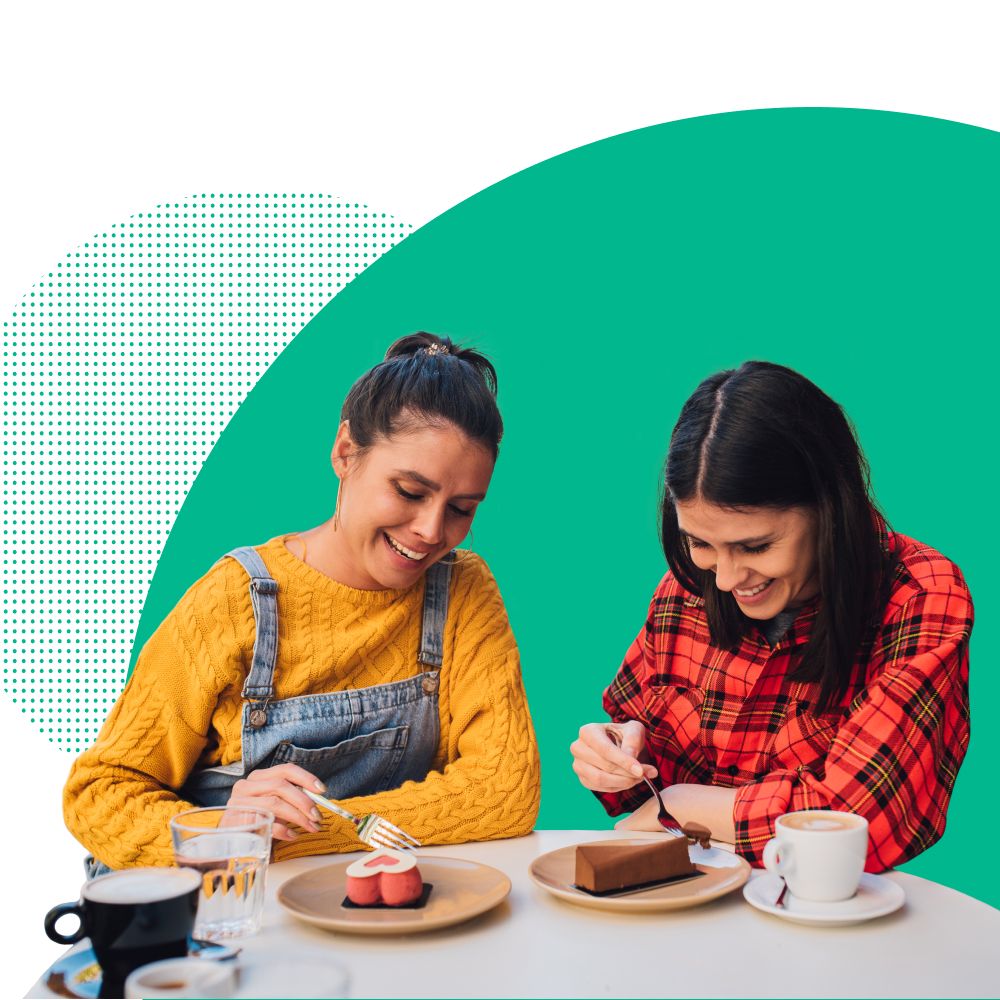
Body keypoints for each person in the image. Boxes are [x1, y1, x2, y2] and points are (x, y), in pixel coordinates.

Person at [65, 333, 540, 870]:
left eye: (461, 508)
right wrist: (221, 832)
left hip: (361, 912)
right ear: (345, 452)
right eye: (409, 492)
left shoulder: (462, 592)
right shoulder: (235, 601)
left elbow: (503, 792)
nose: (432, 531)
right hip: (222, 908)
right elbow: (100, 792)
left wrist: (285, 838)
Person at [571, 361, 972, 872]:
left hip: (823, 926)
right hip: (686, 909)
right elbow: (638, 785)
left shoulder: (922, 597)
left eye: (755, 545)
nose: (725, 579)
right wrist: (614, 757)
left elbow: (858, 827)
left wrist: (687, 806)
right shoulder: (685, 588)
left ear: (830, 505)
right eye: (700, 542)